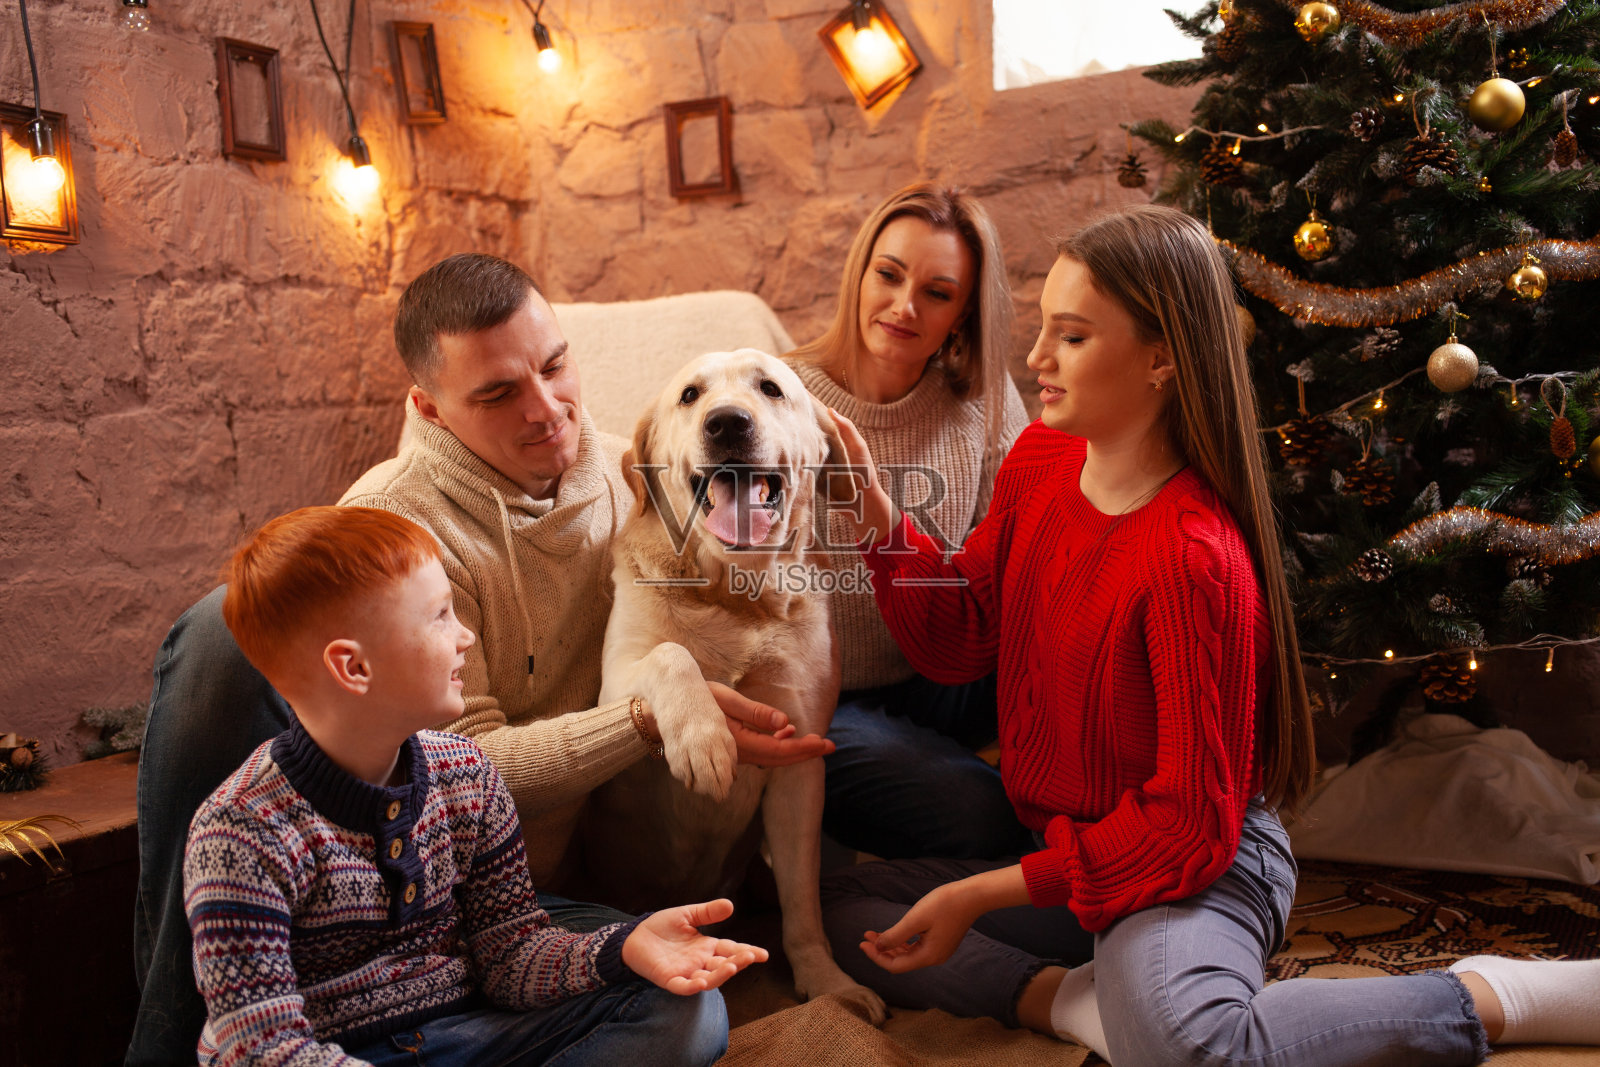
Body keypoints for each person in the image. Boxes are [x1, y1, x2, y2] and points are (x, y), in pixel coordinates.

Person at [816, 204, 1600, 1065]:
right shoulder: (1038, 461)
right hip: (1073, 848)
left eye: (1070, 337)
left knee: (1192, 1047)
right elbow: (959, 636)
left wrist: (983, 896)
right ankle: (1073, 1000)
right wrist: (877, 517)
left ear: (1162, 359)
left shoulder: (1193, 557)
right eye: (1043, 328)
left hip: (1199, 860)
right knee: (834, 916)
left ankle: (1502, 995)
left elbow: (1187, 827)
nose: (1035, 359)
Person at [129, 254, 832, 1066]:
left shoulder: (631, 468)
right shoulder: (399, 542)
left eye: (556, 366)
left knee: (688, 1014)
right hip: (442, 889)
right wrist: (645, 716)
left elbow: (765, 495)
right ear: (428, 407)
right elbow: (462, 759)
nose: (546, 412)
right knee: (216, 629)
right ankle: (162, 1042)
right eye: (498, 393)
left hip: (533, 912)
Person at [186, 505, 764, 1065]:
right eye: (439, 616)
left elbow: (510, 956)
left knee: (689, 1012)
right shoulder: (240, 832)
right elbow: (262, 1049)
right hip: (327, 1056)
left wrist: (623, 947)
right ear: (353, 668)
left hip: (470, 1035)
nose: (464, 636)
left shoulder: (467, 776)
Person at [784, 182, 1033, 862]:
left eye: (938, 291)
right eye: (889, 275)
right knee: (986, 820)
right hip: (836, 698)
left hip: (953, 674)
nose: (904, 306)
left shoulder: (984, 399)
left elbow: (1013, 571)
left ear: (962, 313)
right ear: (860, 274)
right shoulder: (782, 394)